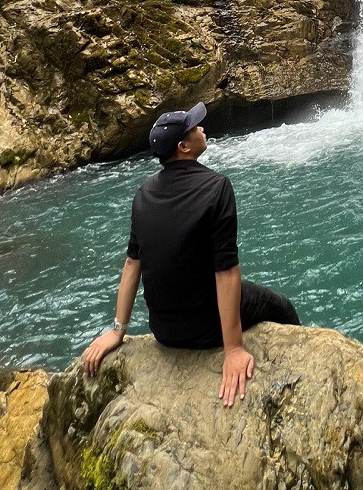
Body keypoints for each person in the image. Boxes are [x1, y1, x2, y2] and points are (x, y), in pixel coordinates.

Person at [81, 101, 299, 406]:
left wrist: (118, 331)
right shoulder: (217, 187)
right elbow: (225, 271)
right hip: (206, 330)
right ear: (184, 146)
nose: (202, 128)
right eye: (195, 127)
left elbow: (132, 263)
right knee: (283, 308)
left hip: (164, 331)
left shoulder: (143, 194)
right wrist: (234, 349)